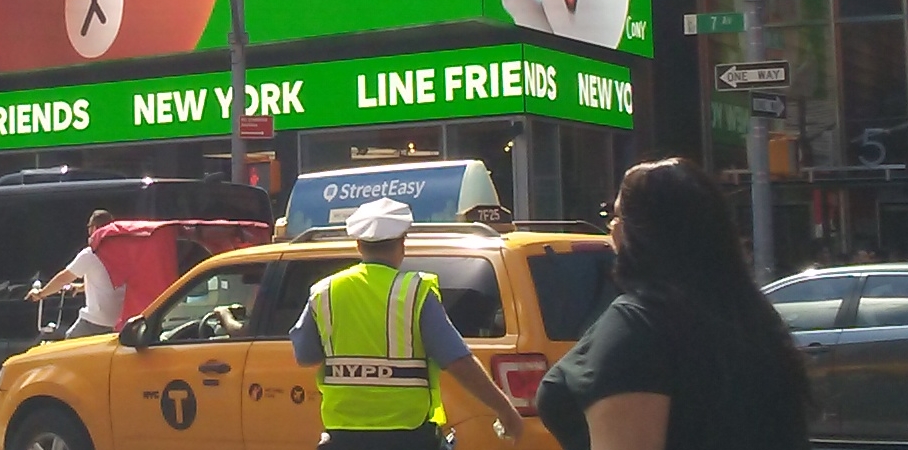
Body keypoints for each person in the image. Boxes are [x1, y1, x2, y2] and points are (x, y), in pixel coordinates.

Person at [536, 158, 809, 450]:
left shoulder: (636, 326)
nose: (612, 228)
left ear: (639, 232)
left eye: (617, 216)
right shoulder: (752, 318)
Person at [290, 197, 525, 450]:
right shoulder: (415, 292)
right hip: (409, 436)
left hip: (343, 436)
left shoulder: (325, 291)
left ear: (359, 245)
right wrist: (505, 410)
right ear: (403, 243)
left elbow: (305, 356)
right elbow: (458, 361)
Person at [27, 209, 125, 338]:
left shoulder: (91, 253)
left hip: (97, 321)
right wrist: (81, 287)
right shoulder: (123, 252)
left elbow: (63, 278)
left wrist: (40, 294)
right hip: (121, 321)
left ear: (94, 228)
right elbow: (110, 280)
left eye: (89, 227)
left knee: (68, 347)